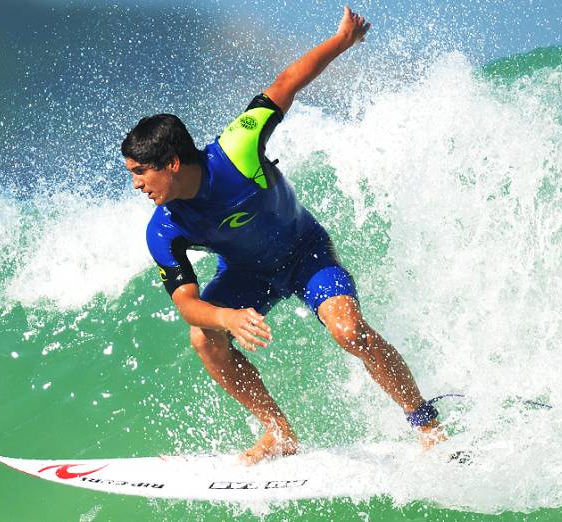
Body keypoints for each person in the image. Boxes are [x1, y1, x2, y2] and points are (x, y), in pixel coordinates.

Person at [121, 6, 445, 465]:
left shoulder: (237, 148)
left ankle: (425, 422)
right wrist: (226, 319)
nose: (136, 184)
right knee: (203, 337)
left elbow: (286, 83)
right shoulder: (165, 227)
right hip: (248, 274)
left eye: (140, 172)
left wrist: (343, 40)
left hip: (305, 252)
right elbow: (186, 304)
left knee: (349, 332)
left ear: (172, 163)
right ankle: (278, 433)